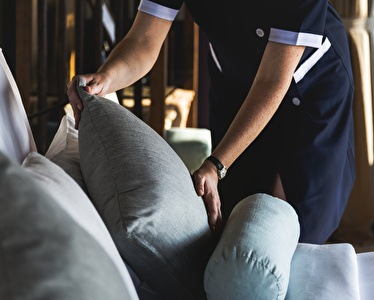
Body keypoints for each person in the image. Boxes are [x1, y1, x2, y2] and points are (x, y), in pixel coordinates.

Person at [67, 0, 355, 244]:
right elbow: (143, 40)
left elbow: (271, 80)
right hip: (236, 85)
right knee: (234, 222)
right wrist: (105, 79)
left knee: (290, 228)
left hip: (308, 88)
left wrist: (217, 164)